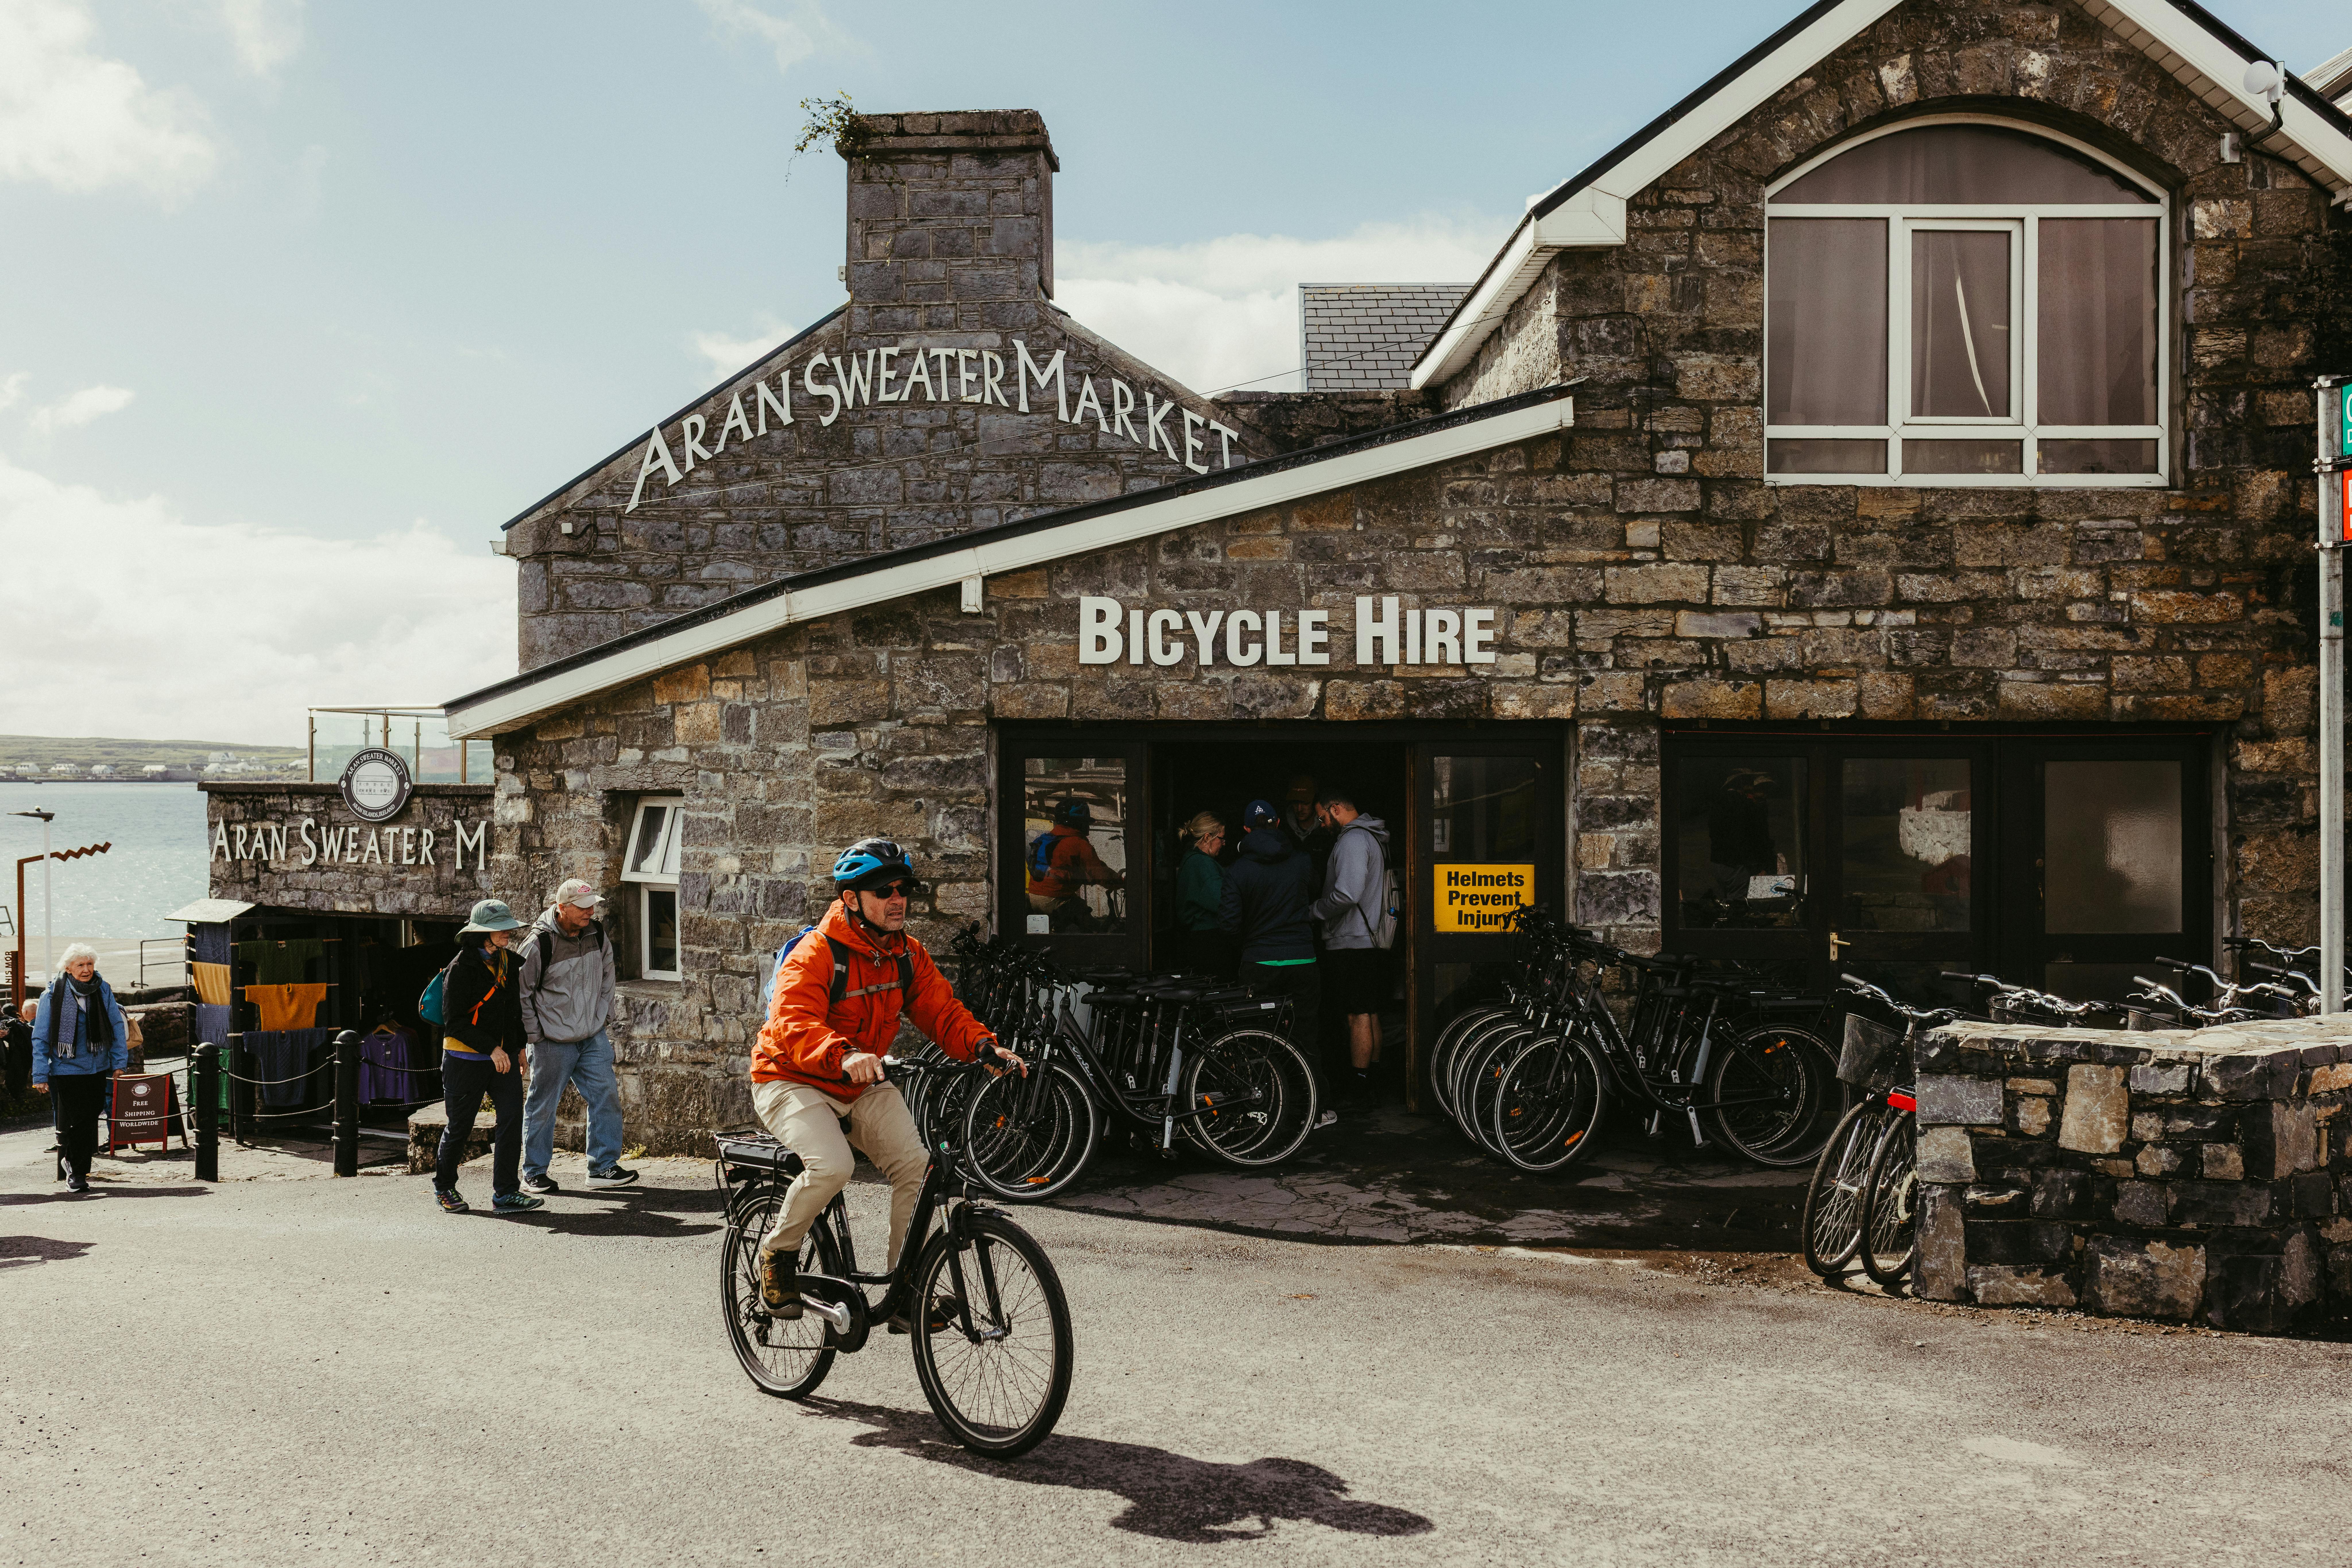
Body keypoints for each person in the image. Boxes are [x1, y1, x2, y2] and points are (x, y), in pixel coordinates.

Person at [751, 838, 1025, 1328]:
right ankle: (777, 1255)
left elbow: (942, 1011)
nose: (897, 899)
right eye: (883, 891)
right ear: (851, 899)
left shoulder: (905, 955)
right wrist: (844, 1054)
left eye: (903, 890)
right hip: (791, 1078)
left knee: (917, 1170)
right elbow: (790, 1022)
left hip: (861, 1081)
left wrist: (984, 1048)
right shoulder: (817, 953)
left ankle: (906, 1292)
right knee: (833, 1166)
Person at [1219, 800, 1335, 1126]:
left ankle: (1257, 1110)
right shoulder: (1300, 861)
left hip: (1259, 963)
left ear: (1245, 829)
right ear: (1278, 825)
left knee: (1252, 1037)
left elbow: (1228, 925)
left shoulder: (1238, 869)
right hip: (1302, 959)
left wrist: (1250, 939)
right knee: (1306, 1035)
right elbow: (1315, 891)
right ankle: (1317, 1110)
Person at [518, 877, 634, 1195]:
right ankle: (533, 1173)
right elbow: (522, 994)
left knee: (606, 1096)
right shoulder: (537, 944)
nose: (590, 912)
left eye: (592, 905)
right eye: (583, 907)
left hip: (591, 1035)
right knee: (543, 1106)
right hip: (551, 1040)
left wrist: (603, 1016)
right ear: (562, 908)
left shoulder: (596, 933)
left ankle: (602, 1167)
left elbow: (609, 973)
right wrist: (535, 1036)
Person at [433, 899, 542, 1215]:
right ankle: (444, 1187)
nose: (509, 933)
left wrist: (519, 1047)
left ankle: (506, 1193)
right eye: (501, 929)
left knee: (511, 1119)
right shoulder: (460, 968)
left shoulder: (509, 962)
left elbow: (514, 1010)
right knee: (461, 1125)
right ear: (483, 934)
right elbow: (454, 1022)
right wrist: (492, 1049)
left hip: (503, 1058)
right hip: (464, 1059)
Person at [1311, 788, 1392, 1109]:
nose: (1321, 825)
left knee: (1357, 1015)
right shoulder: (1372, 838)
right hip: (1368, 939)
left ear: (1335, 808)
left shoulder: (1353, 841)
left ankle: (1358, 1088)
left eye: (1322, 817)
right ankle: (1370, 1080)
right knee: (1369, 1012)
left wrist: (1314, 910)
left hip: (1353, 940)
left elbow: (1345, 895)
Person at [29, 944, 129, 1193]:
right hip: (66, 1067)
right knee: (81, 1118)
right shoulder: (52, 995)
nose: (87, 970)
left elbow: (117, 1026)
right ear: (68, 968)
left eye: (90, 965)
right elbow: (40, 1037)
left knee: (92, 1114)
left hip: (98, 1065)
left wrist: (119, 1063)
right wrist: (40, 1073)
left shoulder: (103, 989)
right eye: (81, 965)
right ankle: (78, 1172)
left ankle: (72, 1160)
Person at [1025, 798, 1124, 930]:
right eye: (1085, 823)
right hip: (1056, 901)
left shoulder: (1046, 839)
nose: (1087, 827)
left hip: (1034, 898)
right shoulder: (1079, 844)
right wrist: (1122, 883)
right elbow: (1100, 872)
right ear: (1077, 823)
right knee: (1092, 926)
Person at [1174, 811, 1233, 977]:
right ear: (1208, 837)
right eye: (1221, 839)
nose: (1223, 844)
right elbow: (1224, 902)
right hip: (1208, 942)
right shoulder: (1202, 864)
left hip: (1199, 940)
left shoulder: (1193, 860)